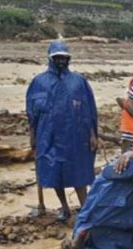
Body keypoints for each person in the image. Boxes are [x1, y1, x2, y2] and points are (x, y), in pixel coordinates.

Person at [26, 40, 98, 221]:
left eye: (64, 58)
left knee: (79, 173)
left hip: (75, 135)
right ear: (51, 58)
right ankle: (64, 207)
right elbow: (32, 113)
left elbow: (89, 109)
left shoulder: (79, 82)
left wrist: (92, 134)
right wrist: (33, 136)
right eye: (57, 57)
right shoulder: (39, 82)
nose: (61, 61)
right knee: (54, 172)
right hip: (48, 136)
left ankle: (86, 211)